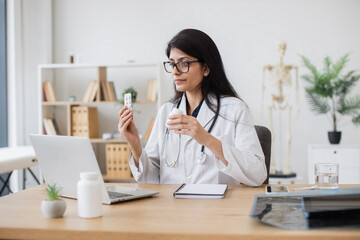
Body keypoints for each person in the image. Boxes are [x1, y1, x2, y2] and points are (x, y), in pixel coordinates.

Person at [118, 29, 267, 186]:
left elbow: (257, 174)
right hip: (172, 206)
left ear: (206, 68)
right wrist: (135, 145)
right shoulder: (166, 112)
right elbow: (151, 180)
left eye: (184, 63)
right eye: (172, 64)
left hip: (217, 207)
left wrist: (207, 139)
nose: (175, 72)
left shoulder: (235, 109)